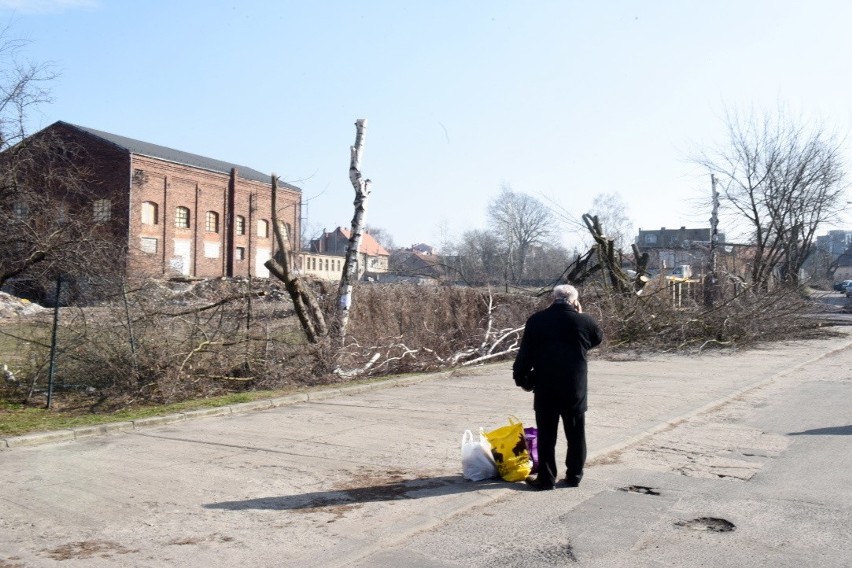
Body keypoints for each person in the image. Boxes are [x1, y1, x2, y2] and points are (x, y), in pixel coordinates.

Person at [513, 284, 603, 490]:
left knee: (546, 434)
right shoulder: (584, 321)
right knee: (576, 433)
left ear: (553, 298)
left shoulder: (537, 320)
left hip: (546, 386)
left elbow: (525, 353)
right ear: (574, 301)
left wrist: (521, 378)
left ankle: (546, 478)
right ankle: (574, 476)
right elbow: (596, 338)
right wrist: (580, 317)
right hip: (575, 388)